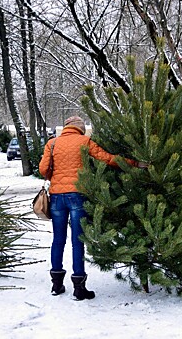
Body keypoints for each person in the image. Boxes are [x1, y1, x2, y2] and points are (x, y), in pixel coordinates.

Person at [39, 116, 142, 300]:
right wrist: (134, 163)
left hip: (56, 197)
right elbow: (108, 159)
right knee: (78, 241)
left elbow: (43, 169)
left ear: (66, 127)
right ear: (80, 129)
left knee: (58, 239)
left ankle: (56, 285)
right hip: (77, 195)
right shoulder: (85, 141)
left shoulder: (52, 143)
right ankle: (79, 288)